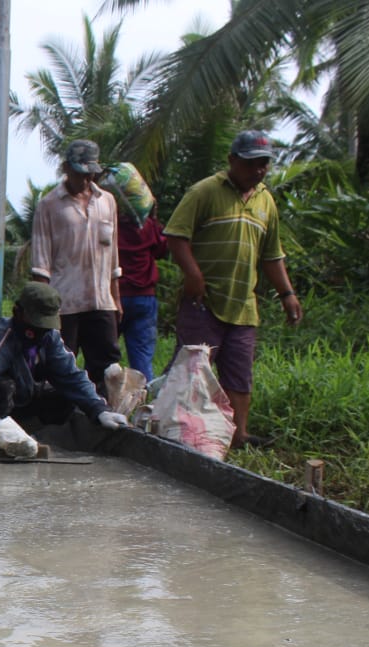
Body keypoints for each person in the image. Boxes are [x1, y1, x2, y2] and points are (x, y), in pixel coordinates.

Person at [163, 129, 303, 449]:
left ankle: (238, 435)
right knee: (194, 369)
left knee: (239, 373)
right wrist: (193, 274)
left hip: (243, 303)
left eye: (264, 164)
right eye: (252, 163)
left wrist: (287, 294)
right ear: (232, 160)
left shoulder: (265, 200)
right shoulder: (206, 191)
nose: (259, 170)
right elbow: (176, 235)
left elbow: (271, 255)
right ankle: (183, 432)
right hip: (204, 299)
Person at [0, 282, 128, 458]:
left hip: (20, 398)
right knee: (3, 387)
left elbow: (71, 375)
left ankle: (20, 440)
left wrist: (99, 409)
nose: (40, 331)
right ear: (19, 313)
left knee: (64, 398)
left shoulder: (49, 337)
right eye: (36, 324)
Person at [29, 139, 121, 393]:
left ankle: (103, 416)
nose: (85, 179)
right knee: (58, 365)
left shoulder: (107, 202)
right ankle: (59, 421)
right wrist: (42, 311)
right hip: (64, 303)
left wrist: (116, 298)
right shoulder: (49, 205)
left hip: (100, 301)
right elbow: (40, 264)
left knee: (107, 367)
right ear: (67, 168)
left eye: (90, 173)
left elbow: (113, 254)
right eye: (80, 173)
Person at [117, 206, 168, 382]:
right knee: (142, 360)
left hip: (113, 297)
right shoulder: (148, 226)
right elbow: (162, 249)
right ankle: (143, 404)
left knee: (103, 359)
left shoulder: (110, 224)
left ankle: (100, 403)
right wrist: (154, 219)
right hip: (144, 298)